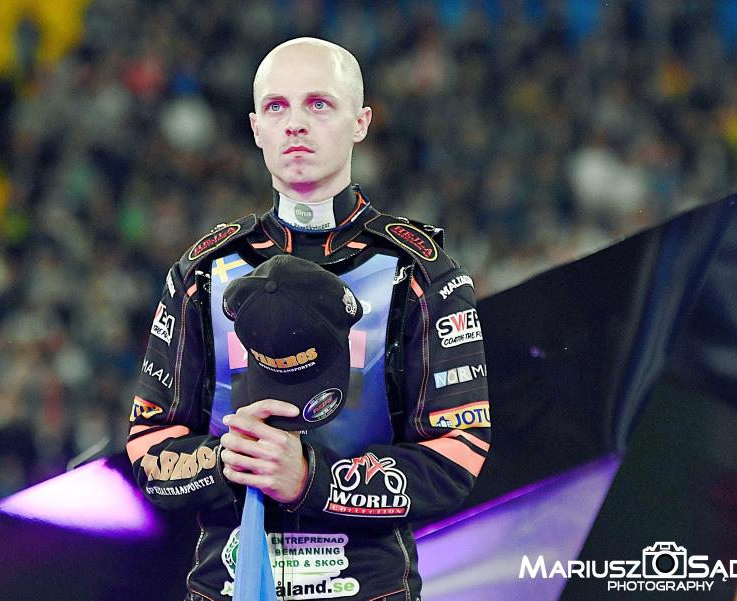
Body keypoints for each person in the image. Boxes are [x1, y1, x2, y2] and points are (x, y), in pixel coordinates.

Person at [127, 37, 491, 601]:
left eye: (319, 104)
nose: (295, 123)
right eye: (277, 107)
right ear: (256, 129)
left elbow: (457, 453)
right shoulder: (203, 271)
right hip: (226, 584)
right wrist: (227, 461)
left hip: (369, 588)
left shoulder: (419, 271)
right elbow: (149, 446)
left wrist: (311, 479)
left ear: (361, 122)